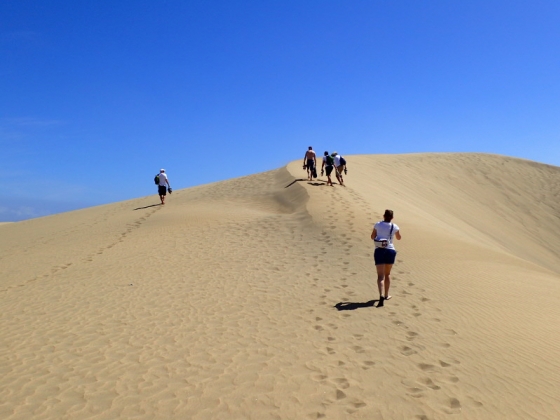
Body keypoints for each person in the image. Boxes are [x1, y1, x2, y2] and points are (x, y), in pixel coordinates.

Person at [371, 209, 401, 306]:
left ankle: (381, 295)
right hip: (390, 250)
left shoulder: (377, 224)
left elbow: (372, 236)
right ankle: (387, 295)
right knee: (387, 274)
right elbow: (399, 238)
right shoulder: (394, 226)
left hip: (379, 251)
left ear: (383, 216)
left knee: (380, 276)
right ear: (392, 218)